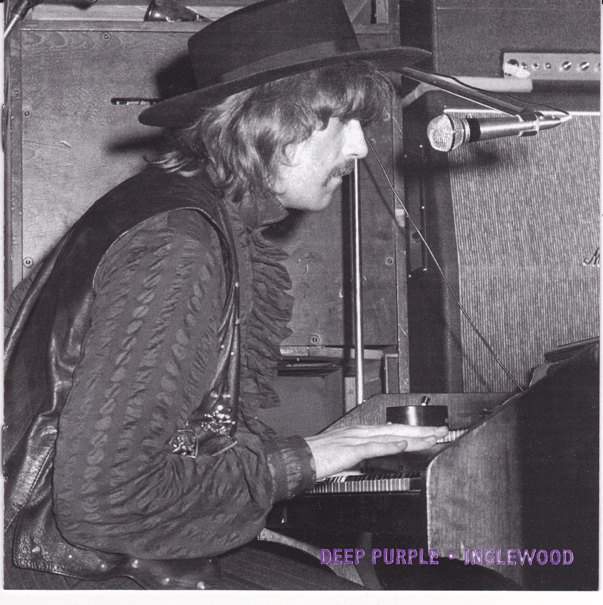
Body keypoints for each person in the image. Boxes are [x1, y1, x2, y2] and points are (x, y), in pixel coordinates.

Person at [3, 0, 446, 590]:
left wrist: (310, 453)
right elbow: (105, 502)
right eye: (342, 119)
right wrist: (307, 458)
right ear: (270, 123)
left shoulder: (176, 209)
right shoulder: (180, 246)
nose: (362, 146)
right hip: (60, 571)